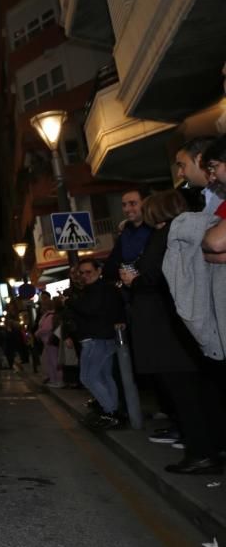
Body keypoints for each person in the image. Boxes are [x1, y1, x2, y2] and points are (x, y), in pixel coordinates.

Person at [120, 190, 224, 474]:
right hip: (181, 328)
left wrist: (133, 280)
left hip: (168, 330)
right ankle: (210, 449)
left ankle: (201, 454)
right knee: (200, 393)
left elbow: (157, 278)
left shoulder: (165, 237)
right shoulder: (181, 232)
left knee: (186, 396)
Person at [67, 259, 126, 429]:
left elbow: (90, 309)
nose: (85, 276)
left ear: (99, 270)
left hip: (97, 339)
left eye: (88, 272)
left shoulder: (98, 289)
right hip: (102, 338)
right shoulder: (103, 288)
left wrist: (69, 302)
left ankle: (111, 412)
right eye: (82, 273)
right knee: (105, 377)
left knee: (88, 377)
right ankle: (113, 412)